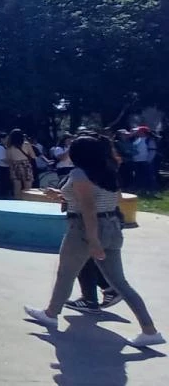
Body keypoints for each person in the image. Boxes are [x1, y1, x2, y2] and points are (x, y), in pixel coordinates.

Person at [24, 135, 164, 347]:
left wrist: (93, 240)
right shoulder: (109, 171)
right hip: (112, 226)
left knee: (66, 273)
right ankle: (149, 330)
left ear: (80, 154)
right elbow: (107, 199)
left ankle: (51, 314)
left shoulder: (79, 173)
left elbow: (88, 207)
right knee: (120, 282)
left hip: (84, 228)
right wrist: (64, 197)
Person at [5, 129, 37, 197]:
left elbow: (8, 160)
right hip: (26, 165)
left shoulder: (9, 146)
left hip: (15, 165)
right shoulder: (26, 144)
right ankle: (27, 201)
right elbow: (33, 156)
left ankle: (17, 202)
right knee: (28, 187)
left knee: (17, 187)